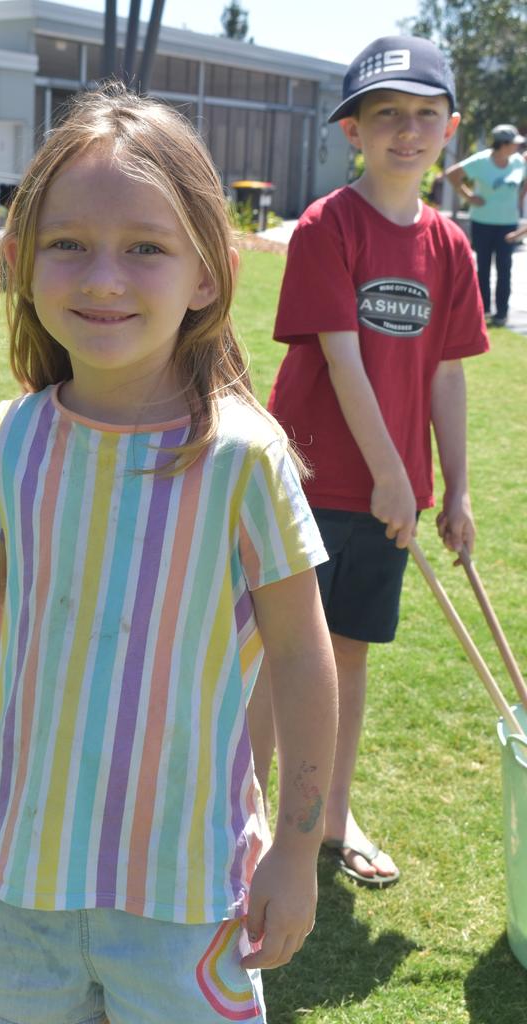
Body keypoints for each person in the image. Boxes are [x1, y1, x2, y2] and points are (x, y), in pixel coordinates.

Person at [0, 86, 338, 1024]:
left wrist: (296, 847)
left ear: (206, 272)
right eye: (67, 242)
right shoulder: (9, 441)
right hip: (23, 877)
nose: (102, 278)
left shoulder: (245, 458)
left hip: (189, 893)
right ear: (22, 259)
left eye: (145, 247)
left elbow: (300, 655)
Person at [260, 36, 488, 888]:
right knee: (277, 655)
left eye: (426, 115)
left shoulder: (451, 246)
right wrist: (393, 475)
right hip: (311, 483)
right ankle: (245, 814)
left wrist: (454, 486)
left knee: (347, 654)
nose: (407, 130)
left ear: (450, 128)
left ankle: (327, 815)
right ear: (352, 129)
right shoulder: (329, 225)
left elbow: (447, 372)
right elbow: (344, 358)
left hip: (393, 497)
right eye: (386, 114)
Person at [446, 123, 527, 327]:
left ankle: (501, 313)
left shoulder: (519, 162)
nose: (517, 147)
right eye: (514, 143)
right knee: (482, 267)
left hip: (508, 224)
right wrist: (468, 196)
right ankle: (482, 310)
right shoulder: (481, 161)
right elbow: (452, 174)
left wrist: (521, 195)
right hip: (482, 222)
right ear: (503, 144)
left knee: (505, 268)